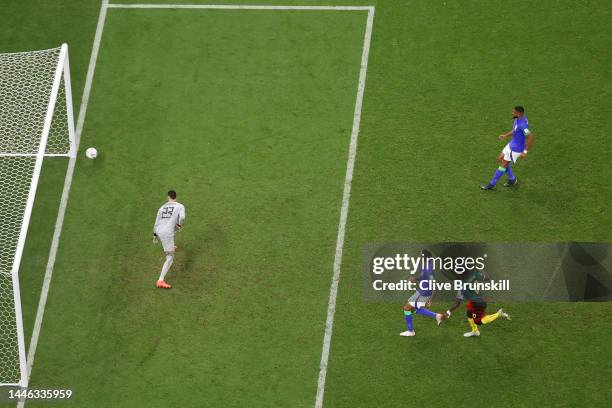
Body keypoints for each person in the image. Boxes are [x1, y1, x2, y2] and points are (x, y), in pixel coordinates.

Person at [482, 106, 534, 190]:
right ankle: (512, 179)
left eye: (514, 112)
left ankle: (491, 185)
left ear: (519, 113)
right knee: (500, 159)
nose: (512, 113)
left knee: (503, 164)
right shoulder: (519, 119)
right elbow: (515, 130)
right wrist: (505, 135)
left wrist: (525, 151)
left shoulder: (523, 125)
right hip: (511, 144)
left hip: (516, 149)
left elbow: (530, 137)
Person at [400, 250, 446, 337]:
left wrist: (431, 300)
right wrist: (415, 278)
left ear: (424, 257)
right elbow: (423, 277)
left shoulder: (428, 269)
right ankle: (437, 316)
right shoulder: (425, 264)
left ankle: (410, 331)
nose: (419, 257)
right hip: (421, 291)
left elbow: (435, 286)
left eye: (421, 256)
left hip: (423, 293)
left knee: (407, 308)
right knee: (415, 309)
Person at [153, 190, 185, 289]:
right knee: (170, 258)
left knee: (172, 231)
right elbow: (182, 217)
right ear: (176, 197)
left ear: (168, 197)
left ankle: (170, 247)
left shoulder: (162, 207)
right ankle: (160, 280)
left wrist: (154, 234)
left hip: (159, 231)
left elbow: (156, 221)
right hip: (167, 233)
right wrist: (179, 224)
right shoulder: (180, 206)